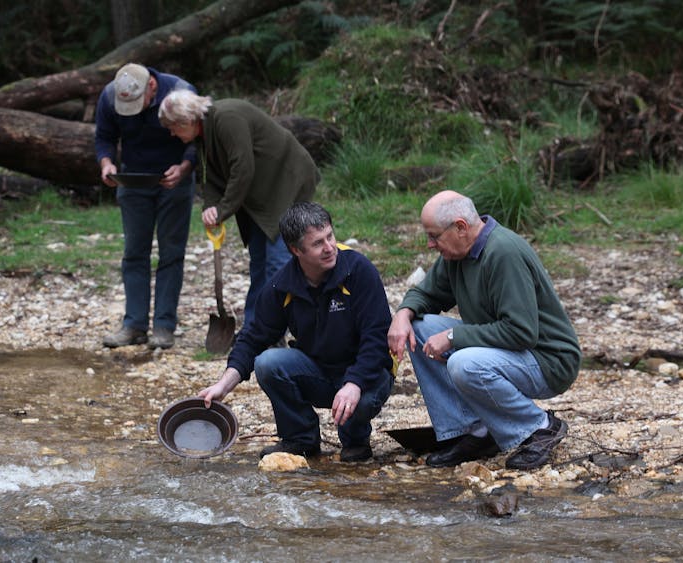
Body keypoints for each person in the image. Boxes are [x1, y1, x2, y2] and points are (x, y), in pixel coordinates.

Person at [387, 190, 581, 470]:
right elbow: (427, 295)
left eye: (434, 236)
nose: (430, 244)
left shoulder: (503, 252)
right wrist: (402, 315)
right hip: (512, 351)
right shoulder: (456, 253)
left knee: (463, 364)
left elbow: (521, 332)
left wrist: (455, 337)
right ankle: (474, 431)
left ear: (461, 227)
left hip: (549, 360)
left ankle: (539, 428)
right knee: (419, 328)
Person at [199, 202, 393, 463]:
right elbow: (253, 338)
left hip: (368, 373)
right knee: (268, 363)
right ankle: (300, 438)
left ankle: (356, 439)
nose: (329, 247)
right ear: (295, 250)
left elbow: (377, 337)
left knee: (360, 399)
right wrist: (223, 385)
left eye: (330, 237)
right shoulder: (282, 284)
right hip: (320, 370)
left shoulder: (358, 270)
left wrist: (354, 383)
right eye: (317, 243)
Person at [158, 90, 319, 330]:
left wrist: (223, 209)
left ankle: (281, 328)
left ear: (187, 121)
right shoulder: (204, 133)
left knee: (277, 262)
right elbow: (210, 176)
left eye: (173, 127)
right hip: (259, 195)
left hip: (286, 183)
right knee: (259, 263)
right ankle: (255, 328)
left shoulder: (227, 118)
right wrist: (211, 207)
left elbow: (242, 169)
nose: (171, 133)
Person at [95, 63, 197, 350]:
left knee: (171, 254)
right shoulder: (109, 96)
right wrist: (106, 164)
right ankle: (134, 325)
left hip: (174, 182)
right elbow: (104, 137)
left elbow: (199, 138)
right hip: (132, 181)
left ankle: (164, 327)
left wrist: (185, 167)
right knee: (134, 253)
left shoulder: (181, 92)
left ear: (152, 85)